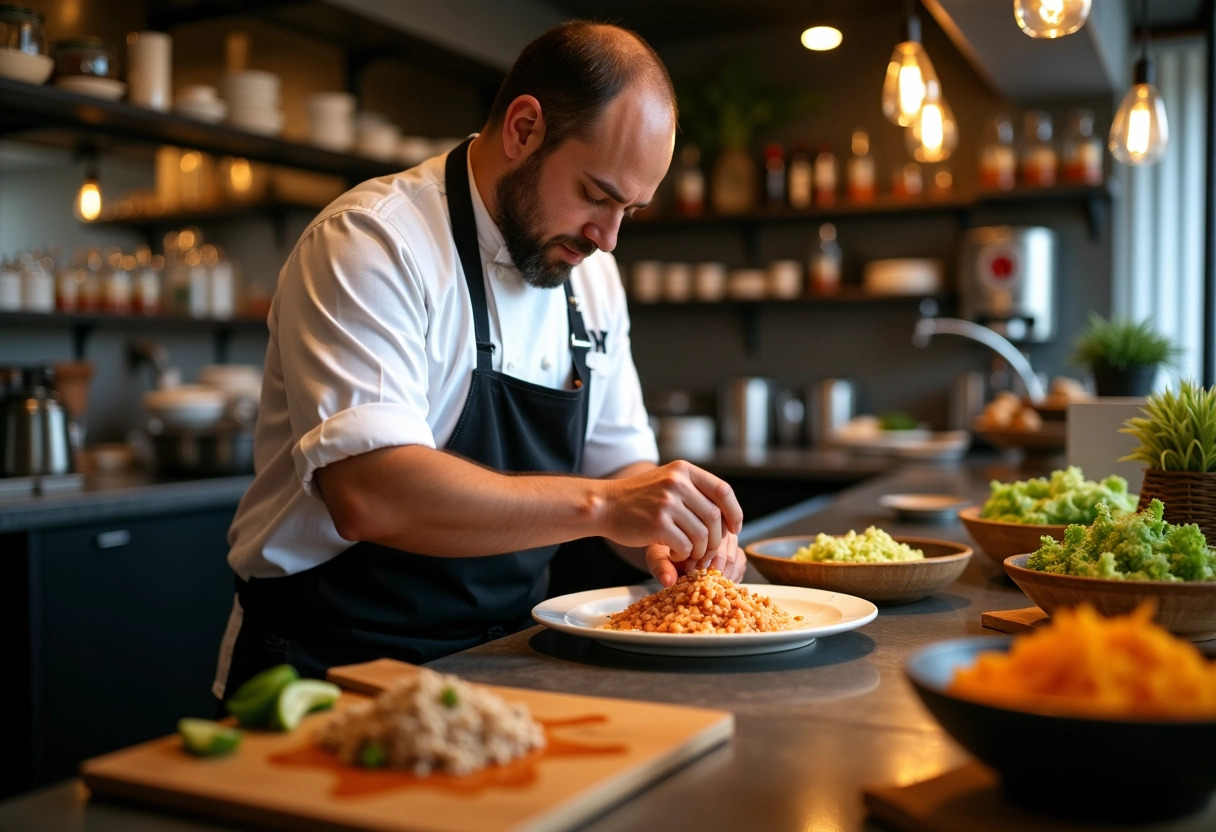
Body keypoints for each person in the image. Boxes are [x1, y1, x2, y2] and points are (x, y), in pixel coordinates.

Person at [214, 20, 747, 700]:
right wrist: (607, 505)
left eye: (630, 212)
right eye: (596, 195)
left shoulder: (591, 278)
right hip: (331, 664)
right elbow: (371, 494)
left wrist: (671, 533)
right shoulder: (375, 241)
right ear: (524, 129)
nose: (608, 238)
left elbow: (619, 466)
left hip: (506, 659)